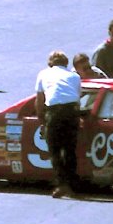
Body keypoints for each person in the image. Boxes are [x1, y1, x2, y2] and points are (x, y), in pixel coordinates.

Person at [35, 51, 81, 198]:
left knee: (54, 150)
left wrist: (42, 119)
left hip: (54, 112)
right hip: (72, 111)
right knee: (70, 149)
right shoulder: (74, 76)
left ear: (50, 63)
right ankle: (73, 184)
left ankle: (62, 184)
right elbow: (77, 97)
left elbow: (39, 100)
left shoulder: (43, 74)